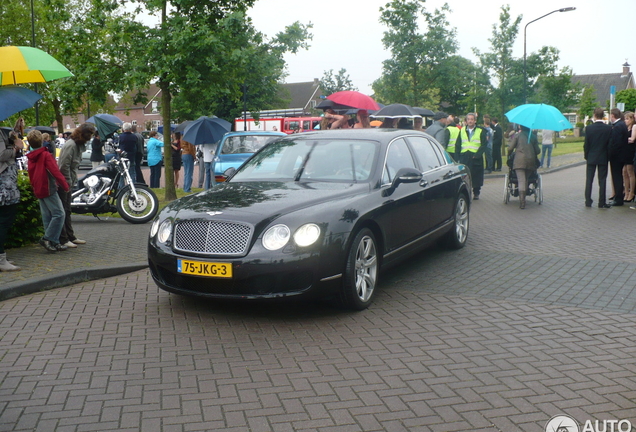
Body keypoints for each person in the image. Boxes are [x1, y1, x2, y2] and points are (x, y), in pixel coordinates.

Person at [26, 130, 70, 252]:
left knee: (47, 216)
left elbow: (30, 173)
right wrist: (65, 185)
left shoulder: (30, 157)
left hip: (38, 187)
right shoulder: (45, 155)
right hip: (48, 186)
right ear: (42, 141)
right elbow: (55, 171)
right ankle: (48, 238)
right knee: (59, 214)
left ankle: (53, 242)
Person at [57, 123, 94, 248]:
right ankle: (63, 238)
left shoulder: (76, 144)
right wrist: (67, 182)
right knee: (63, 210)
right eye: (89, 134)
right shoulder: (71, 145)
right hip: (64, 183)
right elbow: (63, 166)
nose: (90, 137)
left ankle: (70, 236)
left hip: (68, 181)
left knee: (67, 210)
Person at [0, 119, 25, 271]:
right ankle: (1, 259)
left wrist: (13, 134)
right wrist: (16, 147)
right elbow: (1, 153)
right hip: (4, 185)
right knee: (4, 220)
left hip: (5, 183)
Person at [584, 107, 612, 208]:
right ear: (603, 116)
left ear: (594, 115)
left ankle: (588, 201)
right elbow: (610, 145)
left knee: (589, 180)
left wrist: (587, 156)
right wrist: (608, 157)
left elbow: (586, 144)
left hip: (592, 156)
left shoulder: (589, 128)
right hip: (603, 157)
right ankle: (602, 202)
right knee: (602, 180)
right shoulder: (608, 128)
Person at [508, 125, 540, 209]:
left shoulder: (517, 136)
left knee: (521, 180)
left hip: (519, 161)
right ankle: (524, 195)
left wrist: (509, 154)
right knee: (526, 180)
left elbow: (510, 148)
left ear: (520, 127)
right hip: (530, 161)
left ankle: (522, 202)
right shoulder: (533, 136)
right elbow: (537, 151)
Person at [458, 113, 487, 200]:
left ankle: (476, 192)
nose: (470, 121)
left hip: (475, 156)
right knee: (465, 176)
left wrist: (477, 155)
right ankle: (466, 192)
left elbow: (484, 144)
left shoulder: (481, 131)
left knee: (476, 175)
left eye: (472, 119)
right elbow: (458, 144)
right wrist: (458, 157)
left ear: (475, 121)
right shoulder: (462, 130)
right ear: (466, 121)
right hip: (465, 156)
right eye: (468, 119)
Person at [608, 108, 629, 206]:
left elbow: (616, 143)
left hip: (617, 157)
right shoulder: (622, 125)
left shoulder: (617, 127)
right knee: (619, 176)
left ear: (612, 115)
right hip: (623, 155)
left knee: (616, 177)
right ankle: (619, 196)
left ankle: (618, 198)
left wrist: (610, 154)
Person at [622, 112, 636, 202]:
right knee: (624, 172)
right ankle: (626, 192)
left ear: (632, 119)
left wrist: (623, 139)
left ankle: (632, 192)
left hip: (631, 151)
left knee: (630, 172)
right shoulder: (625, 128)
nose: (625, 121)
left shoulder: (634, 127)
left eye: (627, 119)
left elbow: (632, 139)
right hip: (625, 151)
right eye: (625, 119)